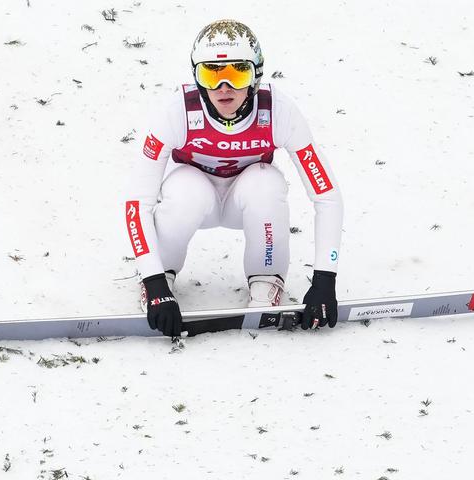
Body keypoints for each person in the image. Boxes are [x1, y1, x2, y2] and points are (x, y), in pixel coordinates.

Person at [124, 19, 343, 337]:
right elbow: (136, 201)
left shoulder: (278, 111)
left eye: (236, 73)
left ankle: (267, 281)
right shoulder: (176, 112)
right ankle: (163, 274)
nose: (223, 88)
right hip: (198, 199)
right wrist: (153, 279)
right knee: (184, 187)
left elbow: (327, 195)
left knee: (265, 183)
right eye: (211, 74)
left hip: (248, 199)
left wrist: (325, 278)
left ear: (256, 75)